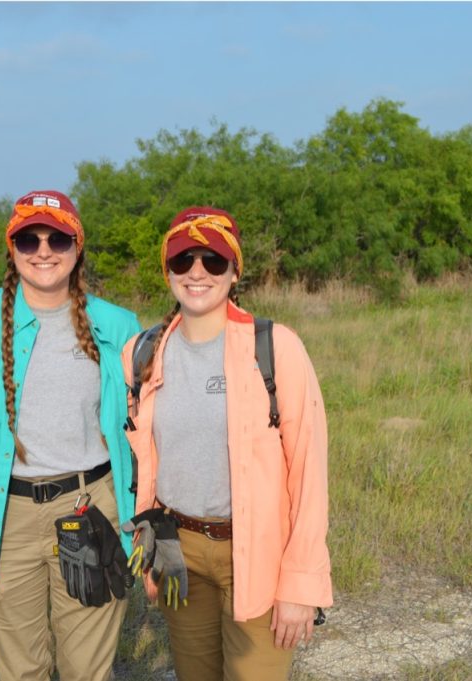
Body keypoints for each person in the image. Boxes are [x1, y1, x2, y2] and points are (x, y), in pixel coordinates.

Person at [121, 206, 333, 681]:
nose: (198, 273)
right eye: (183, 261)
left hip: (258, 553)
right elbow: (144, 461)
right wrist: (148, 547)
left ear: (235, 271)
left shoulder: (276, 348)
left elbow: (308, 472)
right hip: (180, 553)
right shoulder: (140, 354)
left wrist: (300, 585)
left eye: (213, 261)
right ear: (167, 271)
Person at [0, 190, 140, 681]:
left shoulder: (117, 325)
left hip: (90, 505)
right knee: (20, 671)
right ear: (11, 249)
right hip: (4, 515)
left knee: (87, 671)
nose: (43, 249)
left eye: (57, 238)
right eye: (28, 239)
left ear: (78, 248)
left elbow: (144, 428)